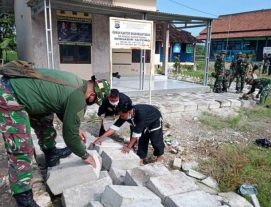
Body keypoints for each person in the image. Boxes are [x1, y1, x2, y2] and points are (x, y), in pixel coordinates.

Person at [0, 62, 107, 207]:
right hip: (8, 95)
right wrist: (85, 156)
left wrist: (76, 128)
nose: (91, 103)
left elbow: (60, 105)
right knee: (21, 148)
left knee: (44, 118)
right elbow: (70, 136)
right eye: (94, 101)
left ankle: (51, 153)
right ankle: (23, 198)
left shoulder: (75, 81)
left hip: (18, 88)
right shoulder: (78, 98)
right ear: (93, 94)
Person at [93, 102, 165, 165]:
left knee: (156, 140)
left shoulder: (140, 114)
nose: (121, 117)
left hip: (154, 120)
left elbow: (136, 134)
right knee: (142, 140)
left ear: (129, 112)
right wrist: (101, 138)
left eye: (122, 116)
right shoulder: (124, 114)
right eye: (120, 115)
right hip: (142, 123)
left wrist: (128, 147)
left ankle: (159, 156)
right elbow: (114, 127)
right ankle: (141, 158)